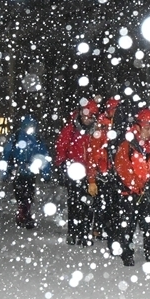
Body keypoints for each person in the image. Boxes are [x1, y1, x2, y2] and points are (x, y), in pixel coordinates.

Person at [112, 107, 150, 267]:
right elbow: (122, 167)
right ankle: (126, 252)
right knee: (127, 224)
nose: (149, 131)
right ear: (138, 127)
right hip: (130, 192)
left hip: (149, 193)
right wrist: (136, 185)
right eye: (146, 127)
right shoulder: (127, 146)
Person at [55, 98, 98, 246]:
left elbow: (94, 154)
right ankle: (73, 231)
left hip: (89, 172)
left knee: (88, 204)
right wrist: (63, 163)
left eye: (90, 115)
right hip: (73, 171)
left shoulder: (95, 132)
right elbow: (61, 147)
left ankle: (85, 233)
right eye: (85, 114)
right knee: (74, 203)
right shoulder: (70, 129)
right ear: (80, 113)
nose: (87, 118)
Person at [0, 115, 52, 229]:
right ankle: (24, 214)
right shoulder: (17, 138)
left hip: (29, 171)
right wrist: (5, 171)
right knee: (22, 194)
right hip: (18, 170)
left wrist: (46, 172)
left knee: (27, 194)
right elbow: (6, 155)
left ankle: (24, 214)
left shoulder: (34, 139)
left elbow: (43, 156)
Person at [87, 97, 120, 242]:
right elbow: (93, 157)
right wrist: (92, 179)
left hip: (116, 173)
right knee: (102, 204)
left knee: (113, 204)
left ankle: (110, 229)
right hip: (103, 174)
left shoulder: (121, 127)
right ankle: (99, 229)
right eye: (113, 109)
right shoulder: (100, 128)